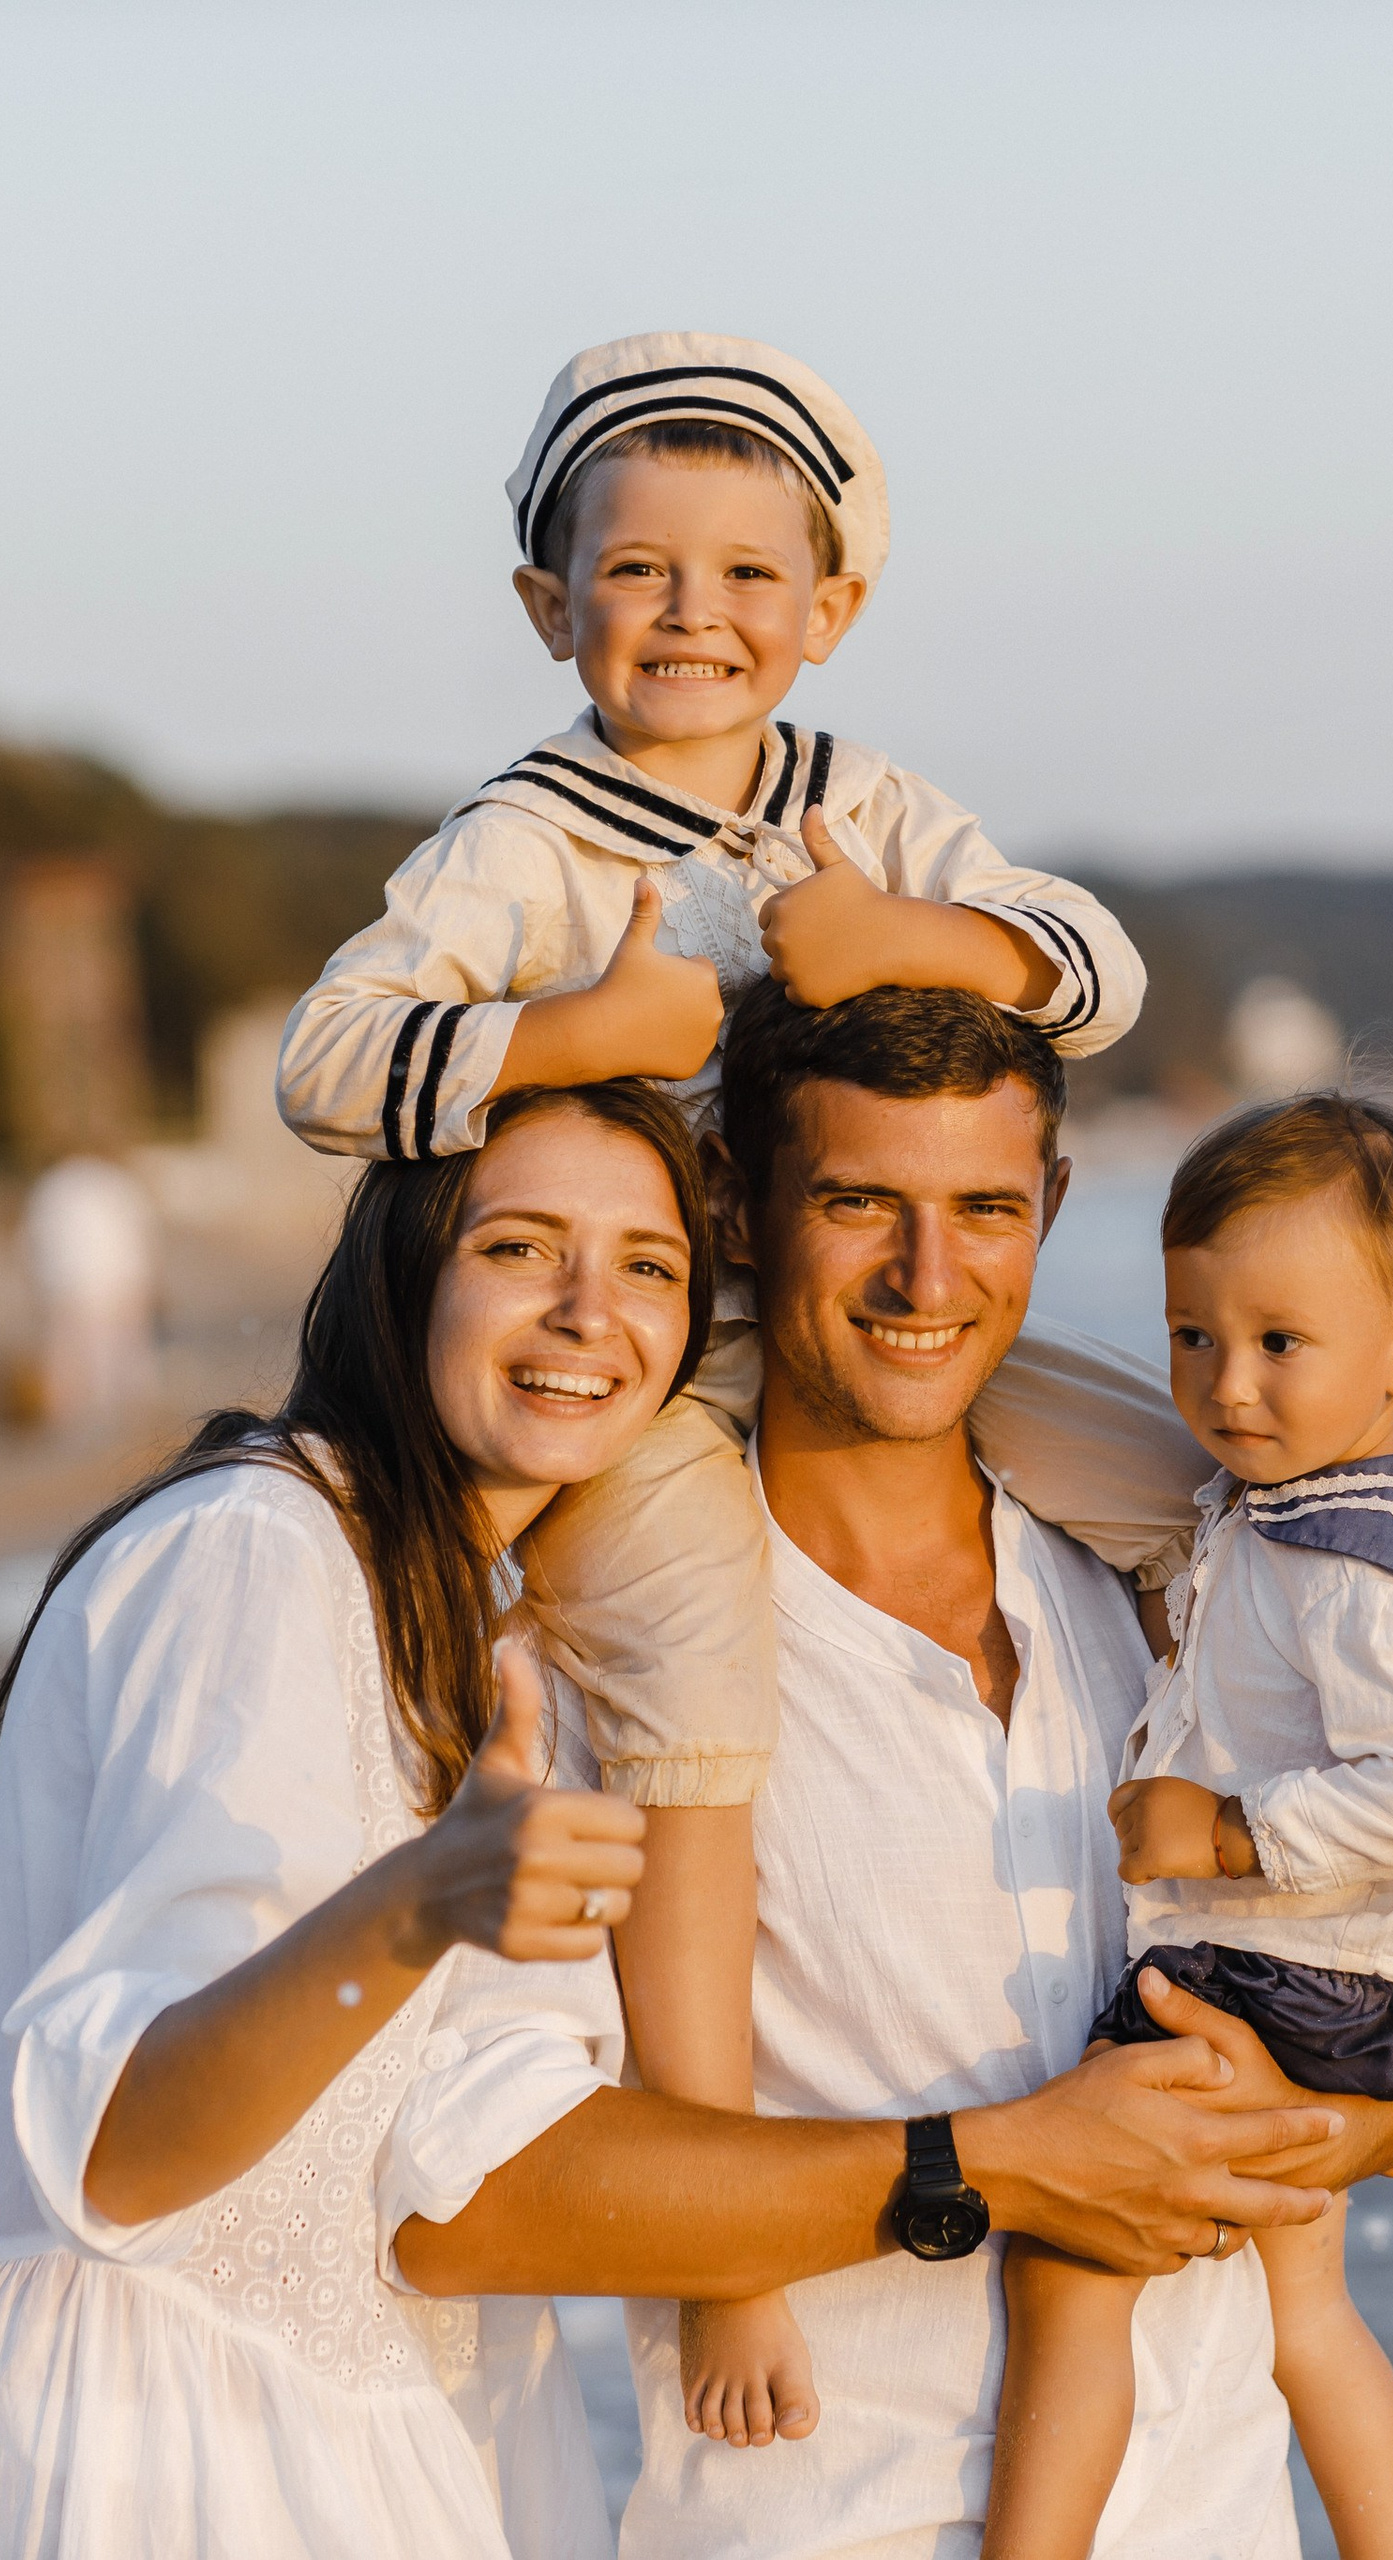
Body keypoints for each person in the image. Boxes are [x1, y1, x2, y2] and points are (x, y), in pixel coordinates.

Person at [273, 333, 1205, 2438]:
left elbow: (1091, 960)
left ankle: (1250, 1885)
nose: (694, 619)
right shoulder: (522, 838)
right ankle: (723, 2227)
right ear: (549, 607)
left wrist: (907, 933)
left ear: (830, 608)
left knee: (1189, 1490)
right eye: (637, 574)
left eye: (746, 578)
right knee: (708, 1695)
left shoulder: (856, 801)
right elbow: (327, 1062)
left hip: (857, 1300)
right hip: (657, 1363)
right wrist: (572, 1020)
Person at [389, 983, 1393, 2558]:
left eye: (986, 1209)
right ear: (738, 1207)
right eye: (861, 1202)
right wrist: (1000, 2173)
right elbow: (463, 2204)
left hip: (1218, 2518)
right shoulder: (599, 1656)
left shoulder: (1191, 1587)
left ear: (1052, 1207)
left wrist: (1280, 2152)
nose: (928, 1277)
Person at [0, 1081, 714, 2557]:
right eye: (521, 1248)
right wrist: (414, 1904)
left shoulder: (493, 1621)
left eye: (650, 1266)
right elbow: (120, 2145)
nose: (593, 1311)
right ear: (405, 1274)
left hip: (371, 2442)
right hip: (169, 2458)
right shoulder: (257, 1552)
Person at [985, 1096, 1393, 2560]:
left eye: (1278, 1345)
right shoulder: (1345, 1490)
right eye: (1191, 1338)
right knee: (1308, 2306)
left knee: (1069, 2265)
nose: (1226, 1388)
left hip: (1304, 1979)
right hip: (1376, 1988)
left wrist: (1223, 1832)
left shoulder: (1354, 1566)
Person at [21, 1153, 157, 1433]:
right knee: (110, 1357)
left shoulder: (56, 1184)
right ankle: (102, 1426)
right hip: (109, 1282)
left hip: (77, 1285)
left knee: (84, 1359)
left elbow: (34, 1243)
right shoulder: (113, 1181)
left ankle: (95, 1426)